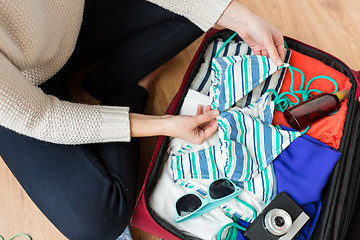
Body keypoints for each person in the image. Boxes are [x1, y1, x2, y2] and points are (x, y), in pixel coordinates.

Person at [0, 0, 285, 239]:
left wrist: (240, 17)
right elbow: (42, 117)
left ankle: (100, 88)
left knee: (204, 8)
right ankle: (125, 94)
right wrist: (163, 123)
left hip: (71, 23)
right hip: (20, 99)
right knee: (97, 221)